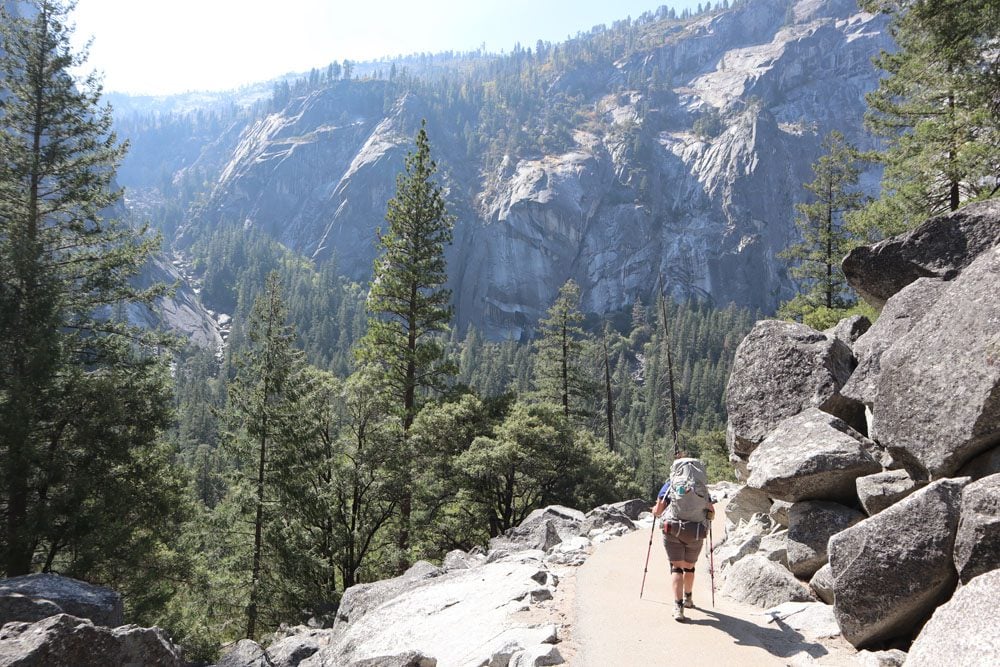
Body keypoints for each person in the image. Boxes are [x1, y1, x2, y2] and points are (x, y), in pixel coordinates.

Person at [651, 456, 715, 621]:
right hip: (696, 532)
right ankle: (688, 598)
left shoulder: (669, 485)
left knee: (677, 568)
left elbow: (658, 511)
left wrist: (654, 511)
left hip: (673, 530)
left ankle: (678, 608)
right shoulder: (701, 487)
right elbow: (711, 513)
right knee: (689, 567)